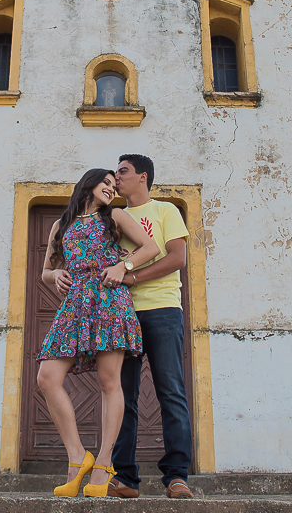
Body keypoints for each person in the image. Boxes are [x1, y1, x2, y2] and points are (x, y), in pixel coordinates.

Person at [36, 168, 161, 498]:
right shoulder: (60, 226)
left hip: (108, 300)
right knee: (47, 377)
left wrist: (124, 266)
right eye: (105, 183)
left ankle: (104, 463)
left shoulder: (115, 217)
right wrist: (55, 276)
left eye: (113, 184)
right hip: (75, 302)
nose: (111, 188)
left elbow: (150, 248)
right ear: (87, 185)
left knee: (109, 382)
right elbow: (47, 270)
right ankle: (78, 457)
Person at [108, 154, 195, 500]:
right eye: (116, 172)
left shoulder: (165, 211)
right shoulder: (113, 216)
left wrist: (132, 276)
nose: (117, 177)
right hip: (122, 313)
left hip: (162, 310)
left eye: (123, 171)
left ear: (143, 177)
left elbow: (177, 257)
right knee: (122, 396)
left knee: (171, 392)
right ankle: (125, 478)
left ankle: (177, 477)